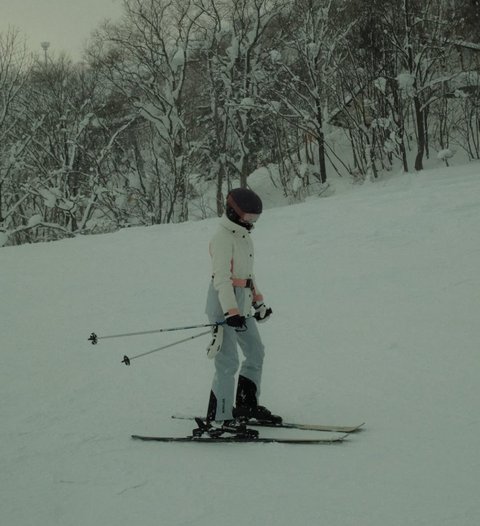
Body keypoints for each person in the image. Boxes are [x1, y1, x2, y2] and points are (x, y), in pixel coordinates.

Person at [203, 187, 281, 436]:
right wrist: (230, 311)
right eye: (249, 218)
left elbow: (247, 275)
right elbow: (222, 280)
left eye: (255, 219)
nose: (252, 223)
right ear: (234, 213)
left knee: (256, 352)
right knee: (227, 362)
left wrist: (258, 302)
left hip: (243, 305)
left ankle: (246, 406)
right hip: (224, 305)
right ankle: (220, 417)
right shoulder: (223, 238)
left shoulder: (243, 236)